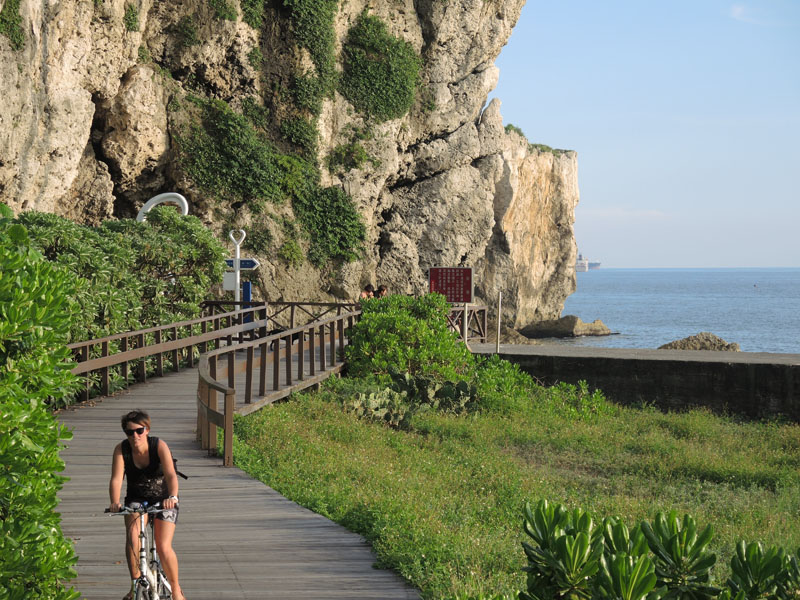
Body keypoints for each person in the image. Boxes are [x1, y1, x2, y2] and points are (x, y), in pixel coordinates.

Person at [109, 410, 186, 600]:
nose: (135, 436)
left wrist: (173, 497)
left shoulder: (159, 446)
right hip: (136, 499)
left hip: (163, 499)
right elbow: (117, 479)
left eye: (139, 431)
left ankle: (176, 589)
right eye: (129, 432)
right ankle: (136, 584)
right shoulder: (122, 450)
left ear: (147, 430)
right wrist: (114, 502)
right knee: (133, 538)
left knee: (163, 546)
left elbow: (170, 475)